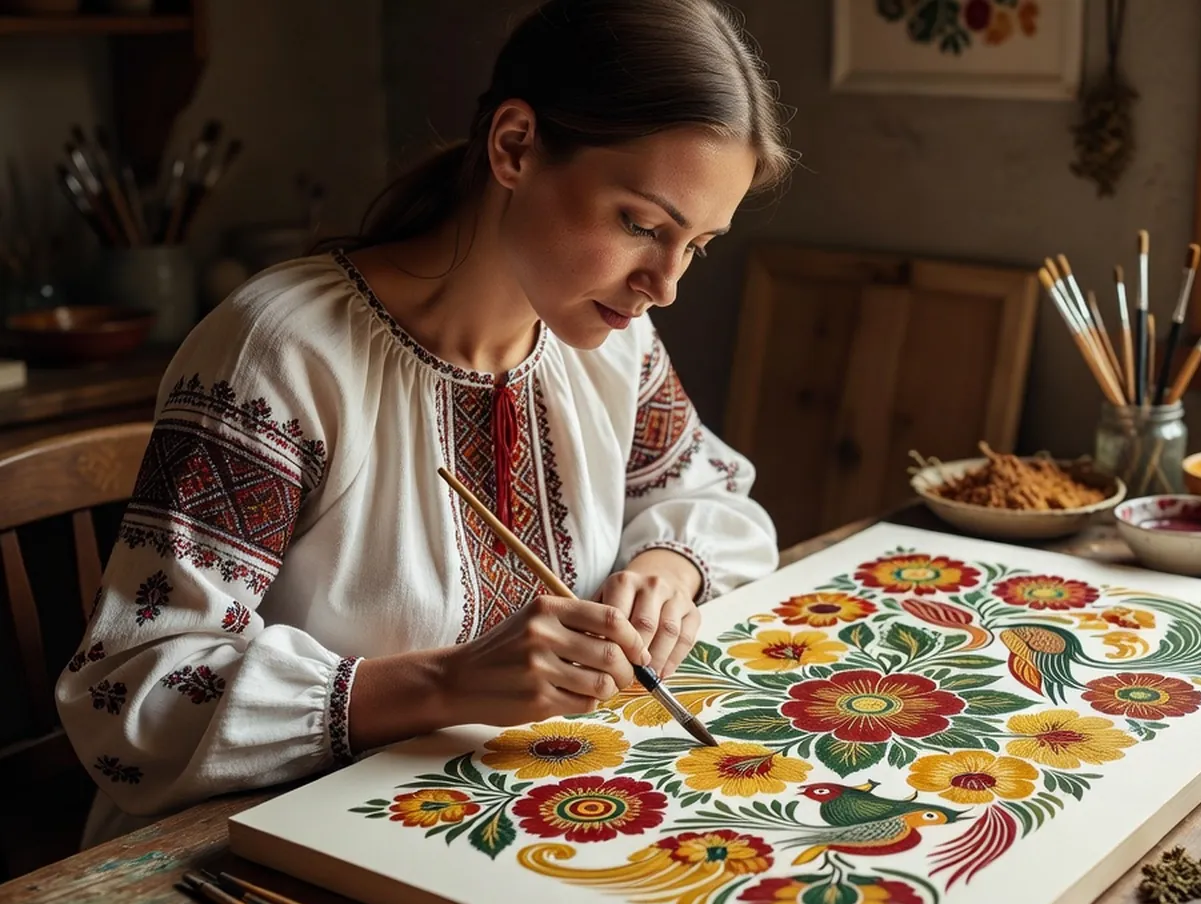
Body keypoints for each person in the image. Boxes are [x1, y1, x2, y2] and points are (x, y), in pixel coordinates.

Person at [56, 0, 793, 847]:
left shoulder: (608, 341)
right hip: (247, 855)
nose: (664, 283)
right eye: (641, 225)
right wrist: (444, 684)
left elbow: (707, 493)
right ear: (514, 146)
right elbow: (133, 696)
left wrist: (666, 570)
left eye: (697, 244)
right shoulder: (284, 356)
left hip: (497, 823)